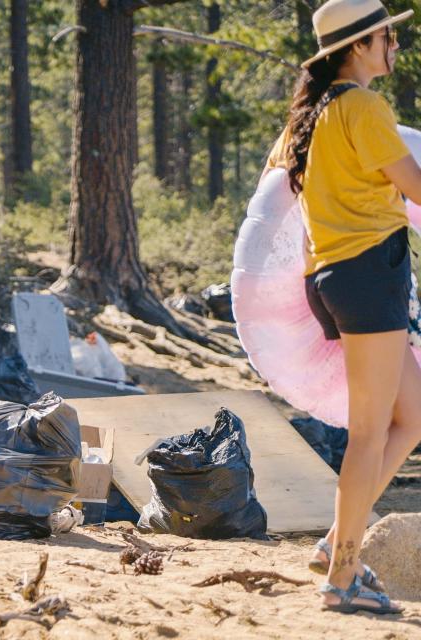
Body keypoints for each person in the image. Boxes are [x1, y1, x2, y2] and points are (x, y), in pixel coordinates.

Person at [264, 0, 421, 615]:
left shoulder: (313, 115)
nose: (395, 48)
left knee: (414, 415)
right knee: (368, 434)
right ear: (359, 45)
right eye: (388, 38)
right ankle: (342, 576)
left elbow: (293, 196)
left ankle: (336, 541)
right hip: (366, 277)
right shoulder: (362, 106)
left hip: (338, 276)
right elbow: (414, 185)